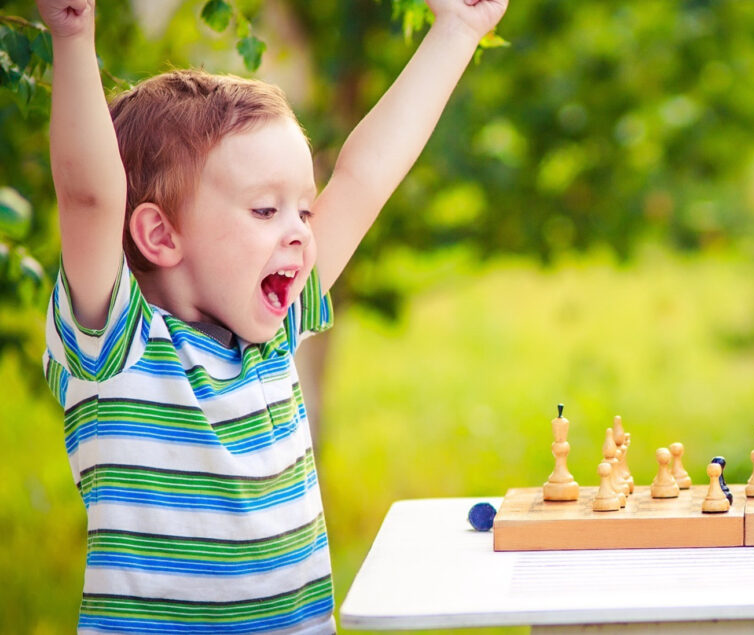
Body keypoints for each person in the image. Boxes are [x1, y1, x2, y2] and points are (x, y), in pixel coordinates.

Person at [37, 0, 508, 631]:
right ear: (159, 235)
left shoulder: (271, 332)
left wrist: (457, 30)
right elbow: (90, 196)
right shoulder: (115, 349)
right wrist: (72, 35)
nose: (300, 235)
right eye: (266, 211)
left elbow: (365, 176)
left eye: (305, 212)